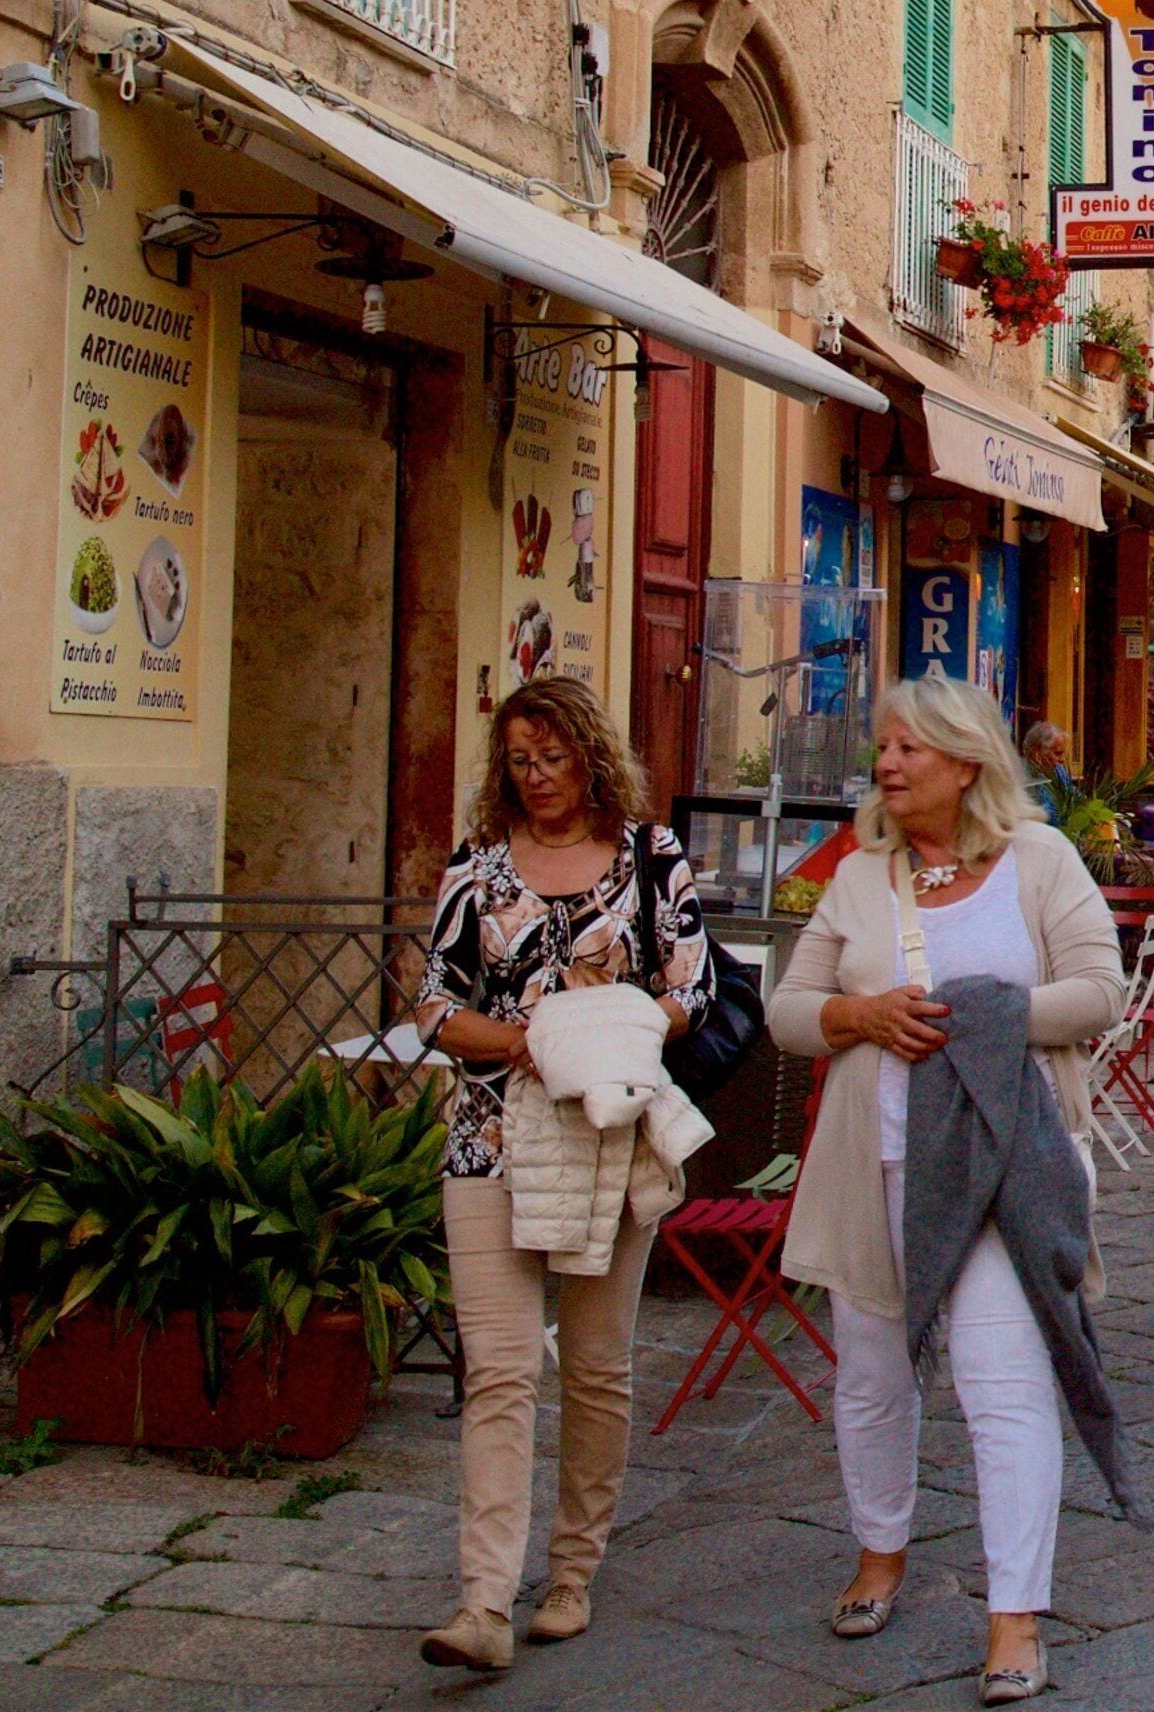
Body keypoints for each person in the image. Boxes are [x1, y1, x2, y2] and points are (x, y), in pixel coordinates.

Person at [768, 676, 1132, 1704]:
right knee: (873, 1376)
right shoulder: (861, 876)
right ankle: (879, 1556)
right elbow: (791, 1011)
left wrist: (986, 1015)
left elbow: (1100, 992)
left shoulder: (1041, 862)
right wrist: (861, 1017)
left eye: (907, 749)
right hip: (870, 1159)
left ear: (966, 762)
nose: (885, 765)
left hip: (1001, 1170)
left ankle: (1014, 1616)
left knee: (1001, 1381)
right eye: (882, 749)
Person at [411, 676, 707, 1671]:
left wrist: (591, 1039)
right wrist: (529, 1045)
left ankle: (573, 1572)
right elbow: (434, 1007)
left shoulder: (650, 858)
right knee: (497, 1369)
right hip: (489, 1139)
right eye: (521, 763)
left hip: (605, 1141)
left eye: (554, 758)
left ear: (591, 755)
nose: (538, 779)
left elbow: (689, 993)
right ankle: (484, 1602)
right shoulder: (476, 869)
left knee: (593, 1370)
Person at [1020, 719, 1080, 821]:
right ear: (1036, 753)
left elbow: (1076, 798)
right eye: (1057, 753)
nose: (1062, 760)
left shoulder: (1059, 771)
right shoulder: (1020, 774)